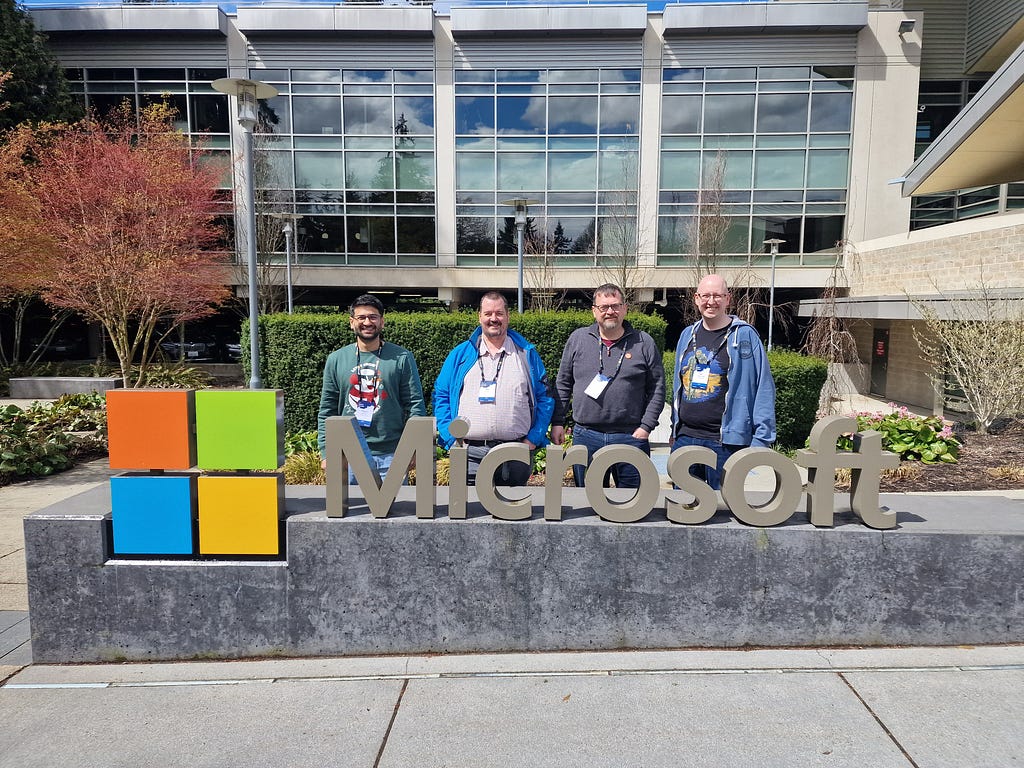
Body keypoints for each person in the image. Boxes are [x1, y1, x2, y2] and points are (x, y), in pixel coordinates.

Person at [433, 291, 555, 486]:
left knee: (513, 512)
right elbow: (441, 395)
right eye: (488, 313)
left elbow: (545, 398)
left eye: (499, 313)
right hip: (469, 455)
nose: (493, 319)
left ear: (507, 316)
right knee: (468, 512)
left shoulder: (526, 354)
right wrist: (449, 438)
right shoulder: (460, 354)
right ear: (479, 316)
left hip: (515, 453)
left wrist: (533, 439)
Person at [550, 283, 665, 488]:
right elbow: (563, 383)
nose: (610, 312)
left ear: (625, 308)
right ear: (594, 311)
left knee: (634, 503)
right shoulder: (578, 339)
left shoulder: (643, 342)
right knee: (587, 506)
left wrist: (646, 427)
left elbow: (657, 387)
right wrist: (558, 421)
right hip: (586, 435)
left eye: (615, 306)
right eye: (604, 307)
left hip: (630, 436)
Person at [672, 274, 776, 490]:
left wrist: (761, 439)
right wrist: (674, 430)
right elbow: (677, 385)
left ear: (728, 299)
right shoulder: (686, 335)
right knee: (683, 509)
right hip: (685, 438)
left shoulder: (745, 336)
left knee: (723, 513)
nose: (711, 301)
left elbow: (763, 387)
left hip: (725, 444)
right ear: (696, 298)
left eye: (717, 295)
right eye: (706, 295)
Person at [317, 294, 426, 482]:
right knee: (353, 511)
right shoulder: (336, 359)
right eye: (361, 317)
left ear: (382, 322)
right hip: (348, 454)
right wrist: (327, 452)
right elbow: (327, 408)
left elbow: (415, 404)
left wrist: (414, 447)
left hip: (393, 454)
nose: (367, 322)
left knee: (397, 511)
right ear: (352, 322)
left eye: (373, 317)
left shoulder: (402, 357)